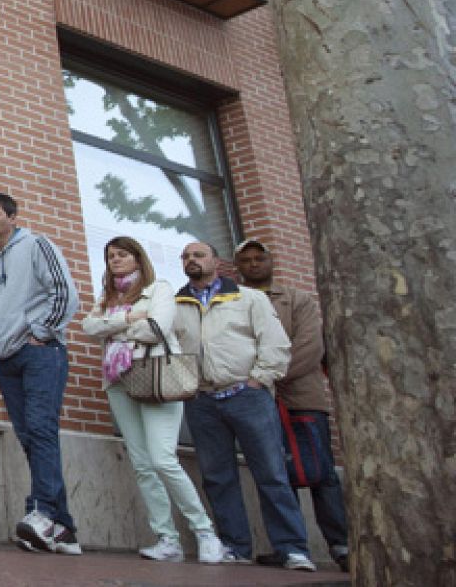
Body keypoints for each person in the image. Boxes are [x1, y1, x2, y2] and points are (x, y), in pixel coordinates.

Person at [78, 236, 222, 563]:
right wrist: (129, 319)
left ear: (138, 258)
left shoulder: (159, 288)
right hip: (119, 382)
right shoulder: (108, 296)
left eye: (122, 255)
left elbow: (156, 328)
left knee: (162, 459)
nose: (115, 260)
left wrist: (114, 326)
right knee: (142, 464)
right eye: (111, 255)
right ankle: (166, 538)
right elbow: (89, 326)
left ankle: (204, 531)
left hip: (156, 375)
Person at [173, 240, 314, 571]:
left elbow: (275, 342)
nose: (191, 260)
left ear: (217, 262)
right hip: (203, 401)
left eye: (198, 255)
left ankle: (293, 548)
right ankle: (235, 545)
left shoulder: (248, 298)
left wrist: (259, 378)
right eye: (185, 256)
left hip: (247, 396)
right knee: (217, 477)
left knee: (271, 472)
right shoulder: (176, 304)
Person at [0, 191, 81, 555]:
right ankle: (63, 529)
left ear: (12, 217)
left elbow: (65, 293)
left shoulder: (37, 245)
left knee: (41, 428)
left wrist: (41, 331)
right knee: (29, 436)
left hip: (40, 353)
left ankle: (42, 512)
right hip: (5, 360)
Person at [233, 238, 349, 572]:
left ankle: (341, 545)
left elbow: (310, 347)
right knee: (274, 474)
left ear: (271, 262)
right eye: (246, 260)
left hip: (300, 399)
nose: (254, 264)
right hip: (255, 400)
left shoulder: (297, 300)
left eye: (259, 259)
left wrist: (267, 375)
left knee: (321, 473)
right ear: (238, 266)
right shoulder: (235, 301)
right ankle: (289, 546)